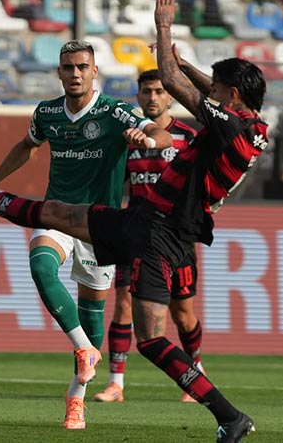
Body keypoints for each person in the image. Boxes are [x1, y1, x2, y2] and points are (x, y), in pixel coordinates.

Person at [0, 0, 267, 441]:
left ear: (230, 94)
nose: (211, 90)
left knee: (150, 335)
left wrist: (164, 29)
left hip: (159, 233)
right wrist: (190, 65)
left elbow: (170, 84)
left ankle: (228, 414)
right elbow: (212, 92)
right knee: (54, 214)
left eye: (217, 85)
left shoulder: (229, 126)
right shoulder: (252, 125)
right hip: (153, 225)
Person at [0, 40, 172, 430]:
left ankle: (76, 398)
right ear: (60, 72)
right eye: (68, 67)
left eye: (83, 66)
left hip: (99, 224)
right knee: (41, 266)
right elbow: (26, 146)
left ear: (95, 71)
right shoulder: (47, 112)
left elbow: (161, 134)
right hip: (56, 213)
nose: (75, 73)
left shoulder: (116, 111)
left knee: (92, 311)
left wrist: (146, 140)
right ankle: (84, 349)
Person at [93, 69, 205, 404]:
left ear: (170, 96)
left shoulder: (188, 137)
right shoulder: (130, 138)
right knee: (124, 303)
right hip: (136, 233)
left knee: (182, 313)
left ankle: (195, 374)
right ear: (138, 96)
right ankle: (116, 384)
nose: (152, 97)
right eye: (146, 92)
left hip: (176, 239)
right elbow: (114, 184)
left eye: (158, 91)